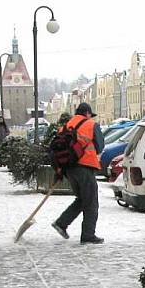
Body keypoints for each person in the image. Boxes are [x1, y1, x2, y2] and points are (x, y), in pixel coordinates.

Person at [51, 102, 105, 244]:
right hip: (85, 167)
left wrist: (58, 170)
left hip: (69, 168)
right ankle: (88, 235)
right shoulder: (91, 124)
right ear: (87, 113)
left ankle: (62, 223)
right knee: (91, 202)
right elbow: (100, 146)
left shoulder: (66, 126)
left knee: (82, 199)